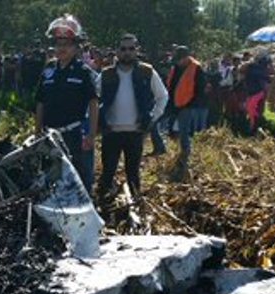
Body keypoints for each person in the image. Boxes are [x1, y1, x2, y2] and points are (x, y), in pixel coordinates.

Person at [97, 34, 168, 196]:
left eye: (131, 48)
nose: (127, 52)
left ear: (137, 50)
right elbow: (93, 99)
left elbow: (162, 96)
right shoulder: (106, 74)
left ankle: (136, 206)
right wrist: (97, 121)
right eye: (123, 49)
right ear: (117, 51)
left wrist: (152, 117)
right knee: (107, 172)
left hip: (135, 131)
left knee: (133, 174)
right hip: (111, 131)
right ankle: (103, 208)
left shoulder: (147, 72)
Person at [35, 15, 99, 193]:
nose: (62, 48)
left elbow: (93, 103)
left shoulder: (83, 71)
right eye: (58, 44)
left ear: (75, 47)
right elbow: (40, 102)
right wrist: (37, 131)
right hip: (49, 135)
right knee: (50, 177)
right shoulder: (48, 69)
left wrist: (92, 134)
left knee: (80, 178)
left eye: (67, 44)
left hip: (74, 134)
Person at [166, 45, 208, 173]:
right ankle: (180, 152)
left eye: (180, 59)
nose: (178, 62)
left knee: (184, 132)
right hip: (174, 103)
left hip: (188, 105)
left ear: (186, 57)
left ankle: (185, 156)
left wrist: (191, 103)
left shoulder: (196, 68)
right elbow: (172, 84)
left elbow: (200, 89)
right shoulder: (177, 67)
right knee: (171, 129)